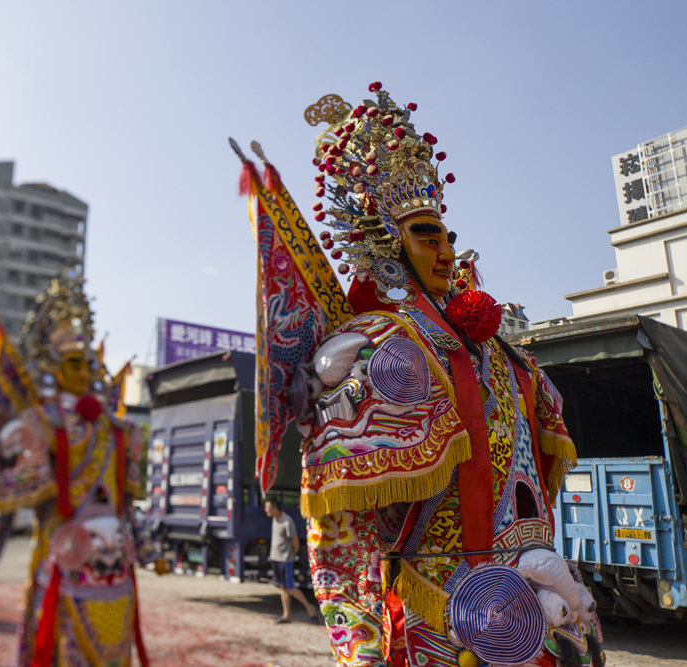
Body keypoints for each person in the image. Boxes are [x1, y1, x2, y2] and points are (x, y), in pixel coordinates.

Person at [235, 82, 603, 667]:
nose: (445, 252)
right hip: (445, 615)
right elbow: (341, 520)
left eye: (447, 236)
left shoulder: (506, 356)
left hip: (543, 605)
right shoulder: (381, 349)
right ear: (388, 244)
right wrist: (355, 640)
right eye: (425, 235)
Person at [0, 270, 151, 667]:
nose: (85, 372)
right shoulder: (38, 425)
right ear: (54, 366)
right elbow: (5, 501)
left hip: (115, 566)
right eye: (74, 364)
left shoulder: (117, 428)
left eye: (88, 363)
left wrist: (147, 547)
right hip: (64, 558)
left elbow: (125, 501)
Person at [264, 497, 320, 625]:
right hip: (275, 558)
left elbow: (295, 541)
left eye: (267, 507)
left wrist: (292, 554)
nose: (265, 510)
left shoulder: (287, 521)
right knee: (283, 588)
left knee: (290, 587)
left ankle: (310, 608)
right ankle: (286, 615)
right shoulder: (274, 519)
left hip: (285, 559)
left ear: (275, 508)